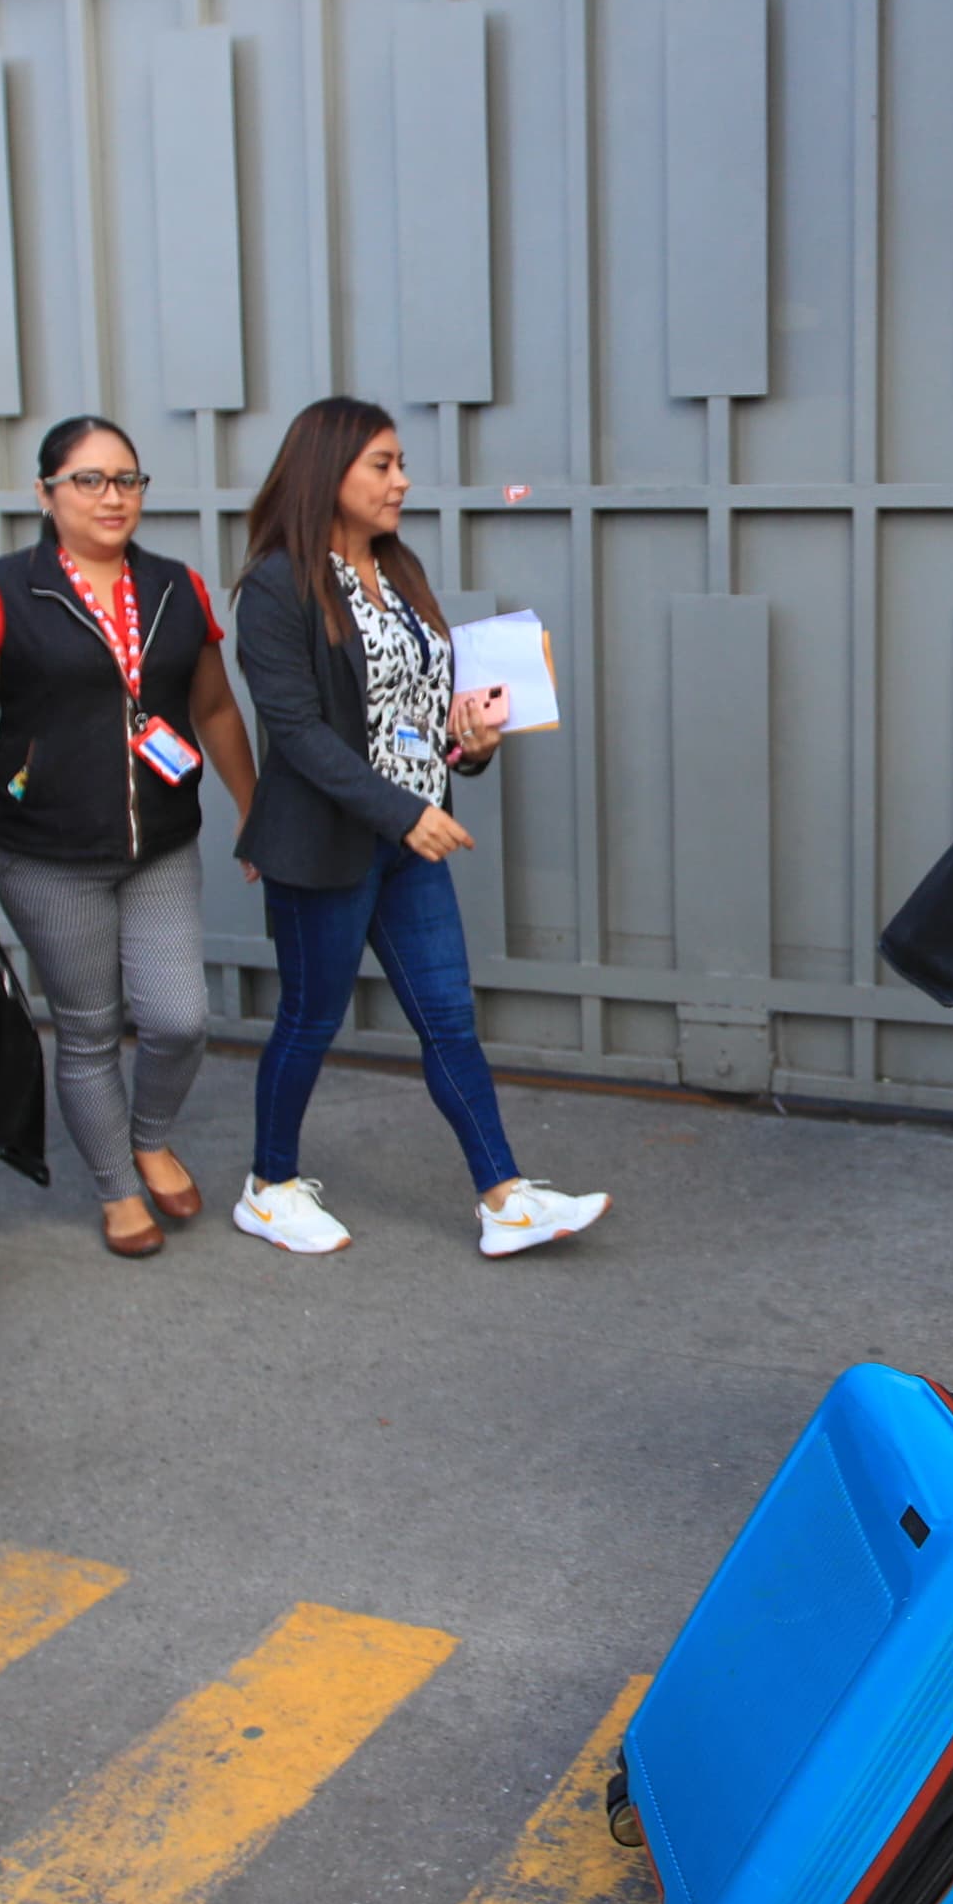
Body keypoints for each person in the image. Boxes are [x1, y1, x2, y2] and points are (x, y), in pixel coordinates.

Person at [226, 396, 608, 1259]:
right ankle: (268, 1183)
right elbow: (300, 735)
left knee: (448, 1019)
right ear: (329, 470)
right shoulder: (276, 587)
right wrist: (410, 811)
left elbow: (418, 715)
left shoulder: (399, 572)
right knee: (309, 1018)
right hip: (327, 847)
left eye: (400, 464)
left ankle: (504, 1196)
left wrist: (467, 744)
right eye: (383, 465)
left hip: (407, 841)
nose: (402, 481)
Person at [0, 418, 261, 1258]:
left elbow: (215, 709)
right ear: (44, 493)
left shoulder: (176, 588)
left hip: (159, 844)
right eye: (88, 479)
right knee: (86, 1028)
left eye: (127, 478)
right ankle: (117, 1185)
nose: (112, 496)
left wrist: (252, 806)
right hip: (46, 853)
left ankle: (149, 1134)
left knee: (180, 1018)